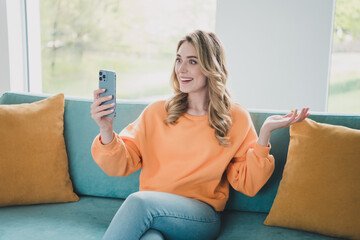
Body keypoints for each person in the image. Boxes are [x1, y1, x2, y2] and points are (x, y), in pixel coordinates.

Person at [90, 30, 310, 240]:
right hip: (154, 212)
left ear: (210, 67)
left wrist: (264, 136)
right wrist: (106, 129)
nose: (181, 69)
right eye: (178, 60)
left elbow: (248, 185)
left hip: (200, 218)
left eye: (192, 61)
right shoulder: (157, 112)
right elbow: (120, 165)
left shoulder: (235, 117)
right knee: (150, 237)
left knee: (139, 202)